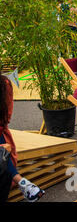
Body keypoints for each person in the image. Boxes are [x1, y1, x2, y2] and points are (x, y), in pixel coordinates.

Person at [0, 71, 45, 202]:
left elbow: (5, 117)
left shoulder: (4, 83)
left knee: (2, 153)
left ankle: (23, 184)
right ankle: (23, 183)